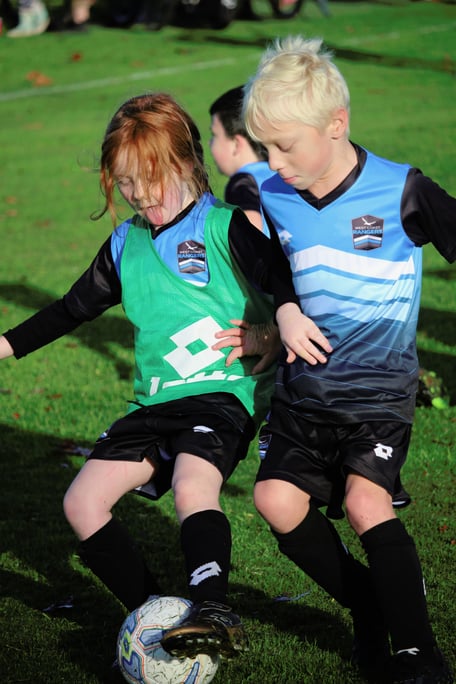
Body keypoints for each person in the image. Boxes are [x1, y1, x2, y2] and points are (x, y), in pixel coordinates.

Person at [0, 92, 321, 661]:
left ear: (188, 162)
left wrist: (275, 327)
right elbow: (71, 309)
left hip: (221, 396)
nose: (139, 194)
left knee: (192, 486)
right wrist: (4, 345)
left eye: (150, 179)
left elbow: (282, 277)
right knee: (82, 503)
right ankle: (156, 616)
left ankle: (215, 609)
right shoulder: (126, 244)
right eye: (124, 183)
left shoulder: (224, 226)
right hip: (152, 403)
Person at [241, 35, 455, 683]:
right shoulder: (275, 195)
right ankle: (370, 608)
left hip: (379, 394)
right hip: (306, 393)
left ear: (337, 126)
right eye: (265, 148)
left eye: (285, 145)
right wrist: (282, 310)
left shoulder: (400, 191)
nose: (273, 163)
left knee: (367, 504)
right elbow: (274, 260)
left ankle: (420, 655)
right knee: (275, 500)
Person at [209, 84, 274, 233]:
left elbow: (252, 239)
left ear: (237, 143)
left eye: (215, 135)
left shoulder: (242, 184)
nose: (210, 142)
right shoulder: (283, 173)